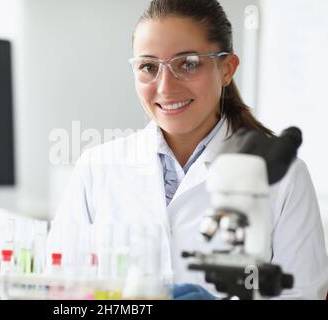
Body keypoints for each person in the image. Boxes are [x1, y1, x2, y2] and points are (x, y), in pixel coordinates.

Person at [48, 0, 328, 299]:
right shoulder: (96, 168)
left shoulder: (284, 175)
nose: (165, 86)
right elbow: (60, 289)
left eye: (189, 63)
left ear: (227, 69)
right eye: (148, 67)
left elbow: (303, 293)